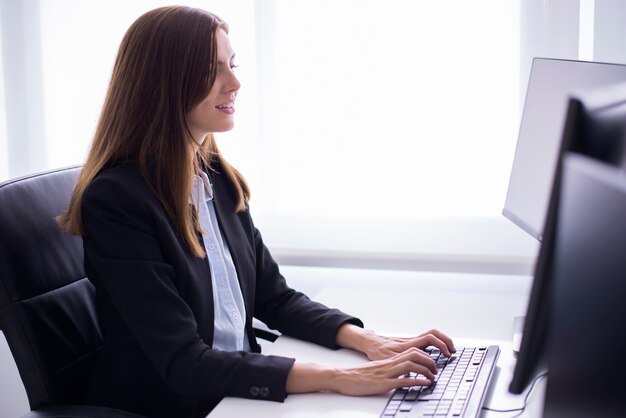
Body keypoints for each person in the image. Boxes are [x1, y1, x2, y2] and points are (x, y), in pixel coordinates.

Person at [59, 6, 456, 418]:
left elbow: (275, 298)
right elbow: (183, 363)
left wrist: (366, 340)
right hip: (179, 407)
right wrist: (339, 377)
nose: (235, 83)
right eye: (213, 70)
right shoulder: (118, 202)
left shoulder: (217, 177)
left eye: (232, 65)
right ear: (164, 82)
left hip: (234, 394)